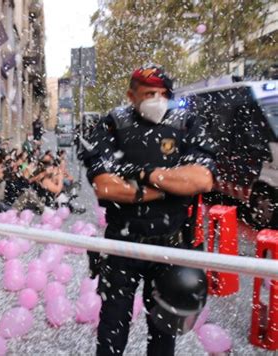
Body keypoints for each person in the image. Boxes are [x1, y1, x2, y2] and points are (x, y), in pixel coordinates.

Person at [80, 65, 216, 356]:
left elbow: (202, 179)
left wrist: (142, 175)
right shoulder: (112, 125)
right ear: (131, 95)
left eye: (163, 93)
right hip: (121, 245)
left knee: (164, 332)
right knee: (112, 330)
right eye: (149, 93)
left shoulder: (186, 123)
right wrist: (171, 183)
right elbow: (106, 187)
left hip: (170, 246)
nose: (157, 99)